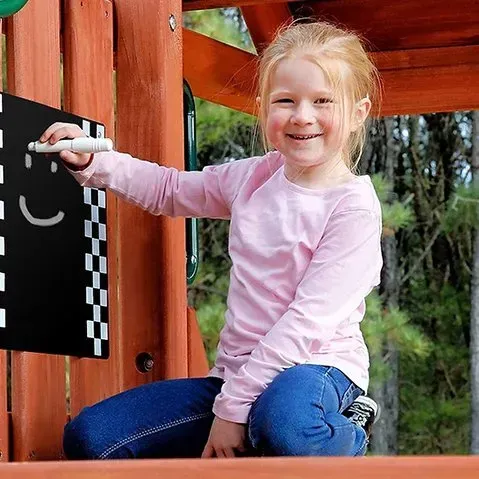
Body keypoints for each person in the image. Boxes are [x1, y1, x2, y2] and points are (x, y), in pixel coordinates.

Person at [41, 20, 383, 459]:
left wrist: (232, 411)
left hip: (315, 371)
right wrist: (96, 162)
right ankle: (255, 432)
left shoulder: (351, 208)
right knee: (92, 438)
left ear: (357, 112)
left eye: (322, 101)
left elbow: (306, 324)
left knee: (284, 424)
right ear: (263, 108)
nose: (302, 115)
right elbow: (169, 189)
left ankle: (349, 427)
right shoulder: (254, 178)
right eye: (286, 100)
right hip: (236, 380)